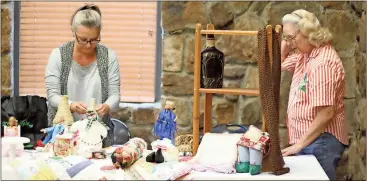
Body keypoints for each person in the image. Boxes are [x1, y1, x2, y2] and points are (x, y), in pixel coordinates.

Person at [280, 9, 348, 180]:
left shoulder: (322, 63)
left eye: (291, 37)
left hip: (320, 142)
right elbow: (278, 66)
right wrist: (284, 48)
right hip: (311, 140)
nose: (289, 43)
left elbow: (326, 112)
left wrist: (299, 145)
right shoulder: (306, 55)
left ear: (306, 33)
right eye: (286, 37)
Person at [45, 4, 120, 147]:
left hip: (98, 138)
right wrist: (70, 105)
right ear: (73, 33)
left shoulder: (109, 57)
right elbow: (52, 96)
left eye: (94, 39)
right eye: (83, 39)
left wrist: (106, 106)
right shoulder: (58, 56)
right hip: (63, 136)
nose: (88, 45)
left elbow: (115, 95)